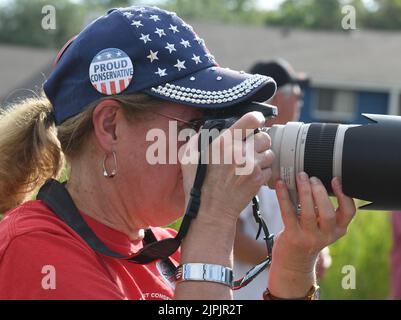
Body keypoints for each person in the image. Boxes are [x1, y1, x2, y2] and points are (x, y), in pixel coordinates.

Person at [0, 7, 355, 300]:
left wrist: (292, 266)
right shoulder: (35, 250)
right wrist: (213, 220)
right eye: (197, 127)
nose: (212, 148)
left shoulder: (168, 250)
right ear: (110, 127)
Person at [234, 60, 331, 300]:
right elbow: (230, 237)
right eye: (295, 93)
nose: (301, 100)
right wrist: (291, 259)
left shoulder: (298, 154)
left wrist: (318, 252)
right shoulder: (245, 156)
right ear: (274, 99)